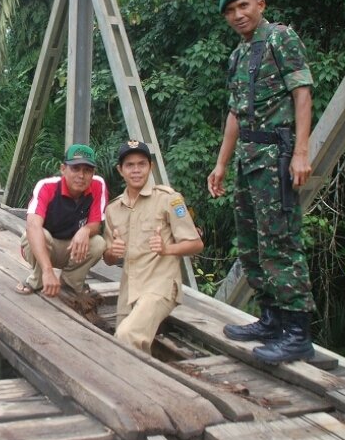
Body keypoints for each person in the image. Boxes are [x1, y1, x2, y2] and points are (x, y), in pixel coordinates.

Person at [207, 0, 317, 365]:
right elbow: (236, 113)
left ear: (260, 4)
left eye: (244, 6)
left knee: (280, 242)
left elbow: (302, 92)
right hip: (248, 159)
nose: (238, 15)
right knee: (251, 243)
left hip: (275, 154)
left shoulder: (280, 38)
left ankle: (297, 333)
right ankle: (271, 319)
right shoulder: (238, 56)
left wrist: (301, 152)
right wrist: (221, 163)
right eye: (231, 12)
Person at [102, 140, 204, 354]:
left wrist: (167, 249)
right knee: (121, 347)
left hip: (160, 286)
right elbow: (108, 259)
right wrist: (113, 252)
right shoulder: (113, 209)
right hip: (129, 289)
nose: (136, 170)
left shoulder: (170, 199)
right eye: (130, 165)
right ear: (121, 170)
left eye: (142, 164)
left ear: (151, 167)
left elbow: (195, 244)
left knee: (127, 336)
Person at [16, 143, 108, 298]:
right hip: (43, 248)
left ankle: (70, 283)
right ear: (63, 169)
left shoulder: (98, 185)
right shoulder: (47, 186)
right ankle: (37, 280)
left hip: (71, 249)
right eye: (75, 168)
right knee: (40, 234)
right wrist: (48, 270)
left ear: (93, 173)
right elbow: (32, 227)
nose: (81, 175)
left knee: (99, 243)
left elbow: (96, 223)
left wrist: (85, 230)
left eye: (87, 170)